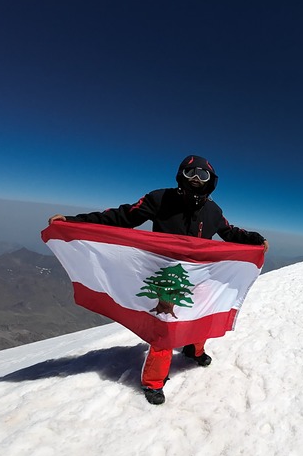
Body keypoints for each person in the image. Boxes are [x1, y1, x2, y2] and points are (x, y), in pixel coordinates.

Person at [48, 155, 268, 405]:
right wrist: (77, 222)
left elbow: (229, 232)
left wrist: (253, 239)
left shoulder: (213, 210)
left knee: (201, 313)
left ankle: (193, 350)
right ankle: (153, 381)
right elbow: (123, 217)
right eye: (190, 173)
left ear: (211, 181)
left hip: (202, 275)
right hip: (167, 277)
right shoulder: (160, 199)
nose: (196, 179)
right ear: (181, 175)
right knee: (166, 327)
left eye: (202, 175)